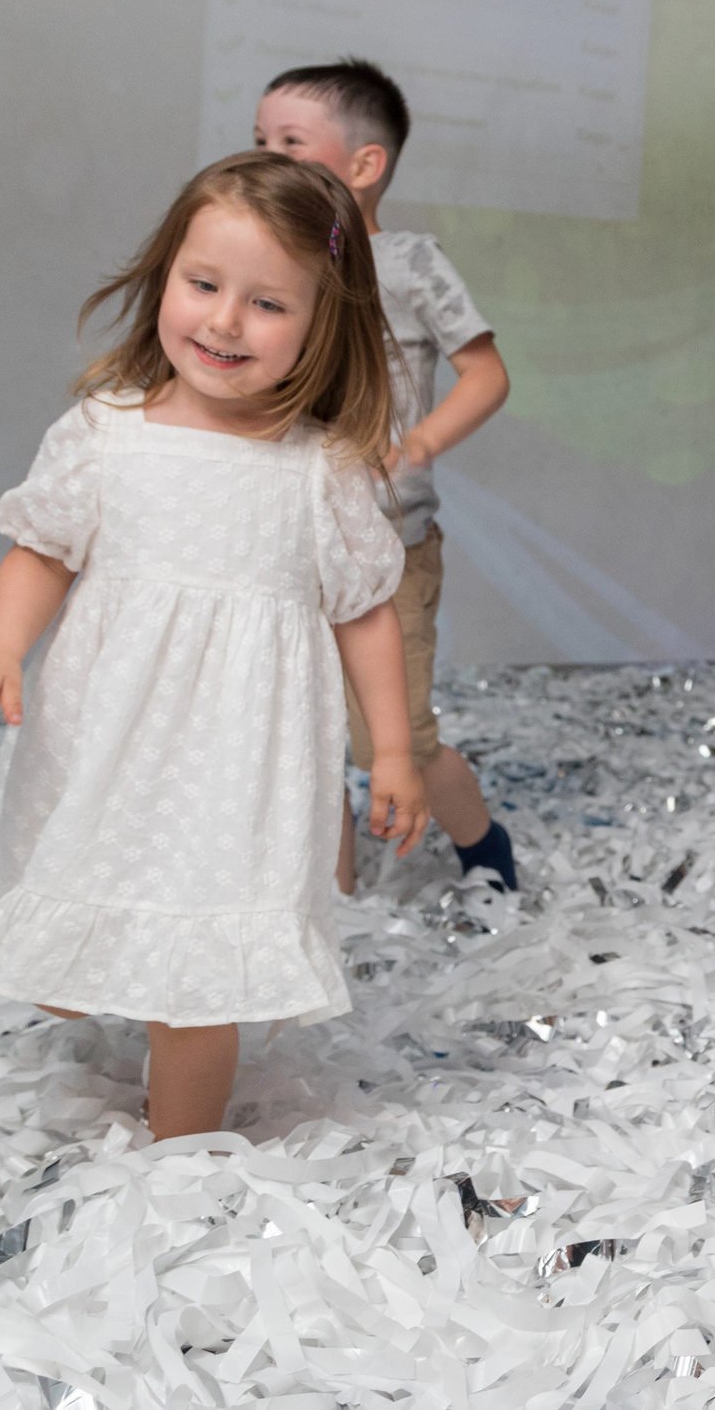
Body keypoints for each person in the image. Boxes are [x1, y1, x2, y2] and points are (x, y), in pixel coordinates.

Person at [0, 152, 425, 1140]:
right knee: (76, 936)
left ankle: (181, 1159)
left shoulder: (318, 472)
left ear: (323, 324)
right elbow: (42, 553)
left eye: (268, 304)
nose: (225, 322)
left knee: (196, 987)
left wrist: (396, 750)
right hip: (108, 735)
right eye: (203, 285)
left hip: (238, 765)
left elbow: (364, 610)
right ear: (165, 276)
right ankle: (97, 972)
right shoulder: (106, 434)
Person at [254, 59, 519, 893]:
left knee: (391, 738)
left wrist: (418, 442)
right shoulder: (266, 263)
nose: (266, 158)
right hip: (288, 541)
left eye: (290, 143)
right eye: (259, 142)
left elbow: (487, 374)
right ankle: (329, 900)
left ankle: (486, 848)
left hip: (389, 546)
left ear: (365, 165)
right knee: (302, 736)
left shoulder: (406, 262)